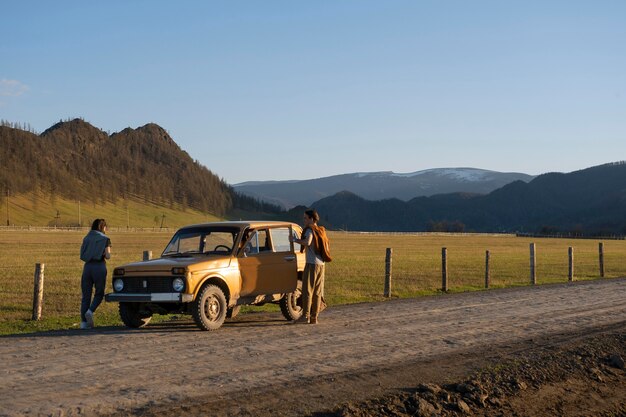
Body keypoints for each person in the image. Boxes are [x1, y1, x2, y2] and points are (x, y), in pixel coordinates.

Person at [290, 209, 327, 324]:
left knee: (307, 290)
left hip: (311, 264)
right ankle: (314, 317)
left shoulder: (309, 230)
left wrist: (295, 240)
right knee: (317, 291)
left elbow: (308, 242)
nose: (304, 220)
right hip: (321, 264)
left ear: (311, 219)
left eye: (305, 218)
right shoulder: (320, 230)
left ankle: (305, 316)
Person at [79, 219, 111, 329]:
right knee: (99, 293)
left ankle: (83, 323)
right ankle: (90, 311)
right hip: (99, 267)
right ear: (103, 227)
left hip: (87, 267)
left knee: (86, 296)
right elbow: (108, 256)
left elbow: (82, 255)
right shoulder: (105, 239)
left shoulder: (86, 238)